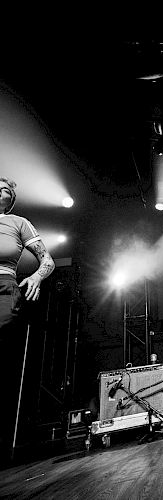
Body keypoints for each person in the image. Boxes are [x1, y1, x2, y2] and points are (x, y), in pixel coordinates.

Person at [0, 177, 55, 463]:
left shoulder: (19, 223)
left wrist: (35, 276)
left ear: (11, 199)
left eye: (5, 189)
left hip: (4, 286)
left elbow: (47, 259)